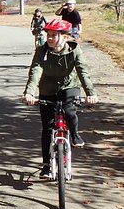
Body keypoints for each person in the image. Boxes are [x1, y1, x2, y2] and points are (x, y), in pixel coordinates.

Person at [22, 19, 98, 178]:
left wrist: (90, 93)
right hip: (47, 89)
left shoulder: (74, 50)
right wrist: (29, 93)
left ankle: (75, 135)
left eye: (54, 35)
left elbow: (83, 71)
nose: (49, 38)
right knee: (47, 127)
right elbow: (35, 72)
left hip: (69, 86)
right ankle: (46, 166)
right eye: (48, 35)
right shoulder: (41, 51)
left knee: (70, 111)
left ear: (64, 37)